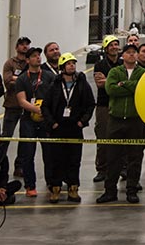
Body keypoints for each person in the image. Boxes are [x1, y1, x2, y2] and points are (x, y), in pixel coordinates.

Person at [41, 52, 94, 204]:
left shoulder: (82, 83)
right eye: (69, 63)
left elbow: (90, 104)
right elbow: (45, 106)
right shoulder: (55, 84)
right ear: (63, 67)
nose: (72, 66)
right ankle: (56, 189)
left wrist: (82, 121)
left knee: (74, 159)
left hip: (75, 127)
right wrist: (52, 123)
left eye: (73, 63)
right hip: (58, 128)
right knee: (56, 159)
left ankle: (73, 189)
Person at [98, 43, 145, 204]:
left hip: (135, 120)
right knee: (113, 157)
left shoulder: (143, 73)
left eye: (134, 52)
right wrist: (130, 87)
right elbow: (110, 89)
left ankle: (131, 190)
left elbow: (142, 88)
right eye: (128, 52)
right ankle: (110, 191)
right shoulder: (114, 71)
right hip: (116, 119)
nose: (132, 55)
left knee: (135, 157)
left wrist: (123, 84)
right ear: (122, 56)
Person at [90, 36, 119, 186]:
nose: (115, 47)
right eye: (111, 45)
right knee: (103, 138)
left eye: (116, 44)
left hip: (120, 105)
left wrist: (110, 82)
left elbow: (129, 84)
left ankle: (123, 168)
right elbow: (101, 84)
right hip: (103, 105)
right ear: (106, 48)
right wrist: (119, 84)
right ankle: (102, 169)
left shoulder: (123, 63)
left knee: (121, 139)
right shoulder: (100, 65)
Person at [0, 37, 30, 157]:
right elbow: (8, 82)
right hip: (12, 104)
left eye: (27, 44)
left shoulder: (30, 63)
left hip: (27, 106)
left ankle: (20, 166)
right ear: (16, 47)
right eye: (22, 44)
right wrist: (24, 81)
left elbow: (34, 81)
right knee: (6, 136)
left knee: (25, 138)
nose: (25, 47)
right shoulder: (10, 63)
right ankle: (1, 162)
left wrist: (15, 78)